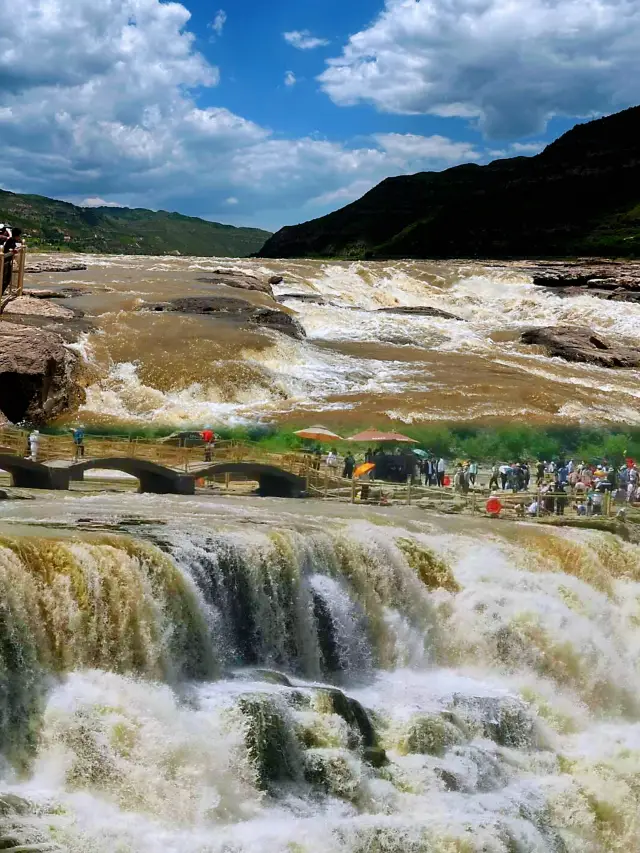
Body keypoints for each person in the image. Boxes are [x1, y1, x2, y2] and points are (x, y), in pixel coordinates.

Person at [2, 227, 22, 295]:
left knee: (7, 279)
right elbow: (9, 250)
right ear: (17, 235)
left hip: (8, 261)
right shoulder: (10, 240)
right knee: (5, 280)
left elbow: (17, 246)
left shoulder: (14, 240)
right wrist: (13, 250)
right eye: (19, 236)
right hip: (5, 261)